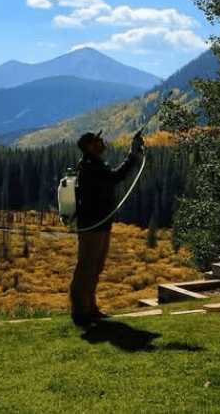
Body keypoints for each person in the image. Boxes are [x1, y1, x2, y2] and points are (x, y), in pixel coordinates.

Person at [69, 129, 145, 327]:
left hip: (100, 224)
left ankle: (90, 308)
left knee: (95, 268)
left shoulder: (96, 164)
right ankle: (80, 312)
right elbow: (117, 176)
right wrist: (132, 153)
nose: (102, 141)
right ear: (89, 147)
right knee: (86, 268)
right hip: (92, 226)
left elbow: (114, 176)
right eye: (97, 140)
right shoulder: (91, 167)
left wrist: (133, 154)